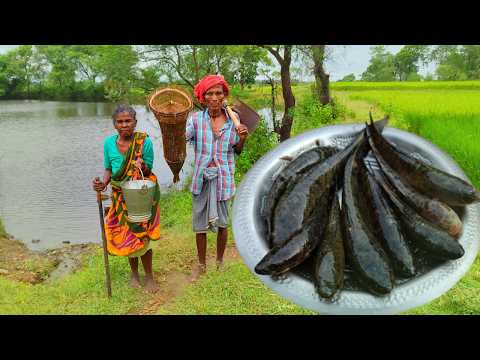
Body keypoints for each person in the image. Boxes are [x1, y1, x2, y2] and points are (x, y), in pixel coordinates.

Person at [186, 74, 249, 278]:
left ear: (224, 96)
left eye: (218, 93)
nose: (214, 97)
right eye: (210, 93)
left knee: (222, 223)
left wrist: (242, 138)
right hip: (201, 178)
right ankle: (202, 265)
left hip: (224, 177)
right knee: (200, 225)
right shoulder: (195, 120)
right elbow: (183, 139)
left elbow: (237, 150)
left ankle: (220, 262)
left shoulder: (234, 120)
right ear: (203, 98)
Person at [92, 104, 161, 293]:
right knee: (128, 236)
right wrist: (103, 183)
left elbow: (148, 171)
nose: (124, 125)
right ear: (114, 124)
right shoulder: (108, 143)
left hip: (140, 196)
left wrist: (143, 165)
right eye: (120, 122)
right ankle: (134, 275)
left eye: (128, 121)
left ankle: (149, 276)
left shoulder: (143, 142)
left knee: (142, 235)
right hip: (119, 197)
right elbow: (108, 168)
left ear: (135, 122)